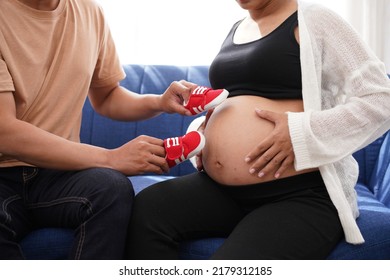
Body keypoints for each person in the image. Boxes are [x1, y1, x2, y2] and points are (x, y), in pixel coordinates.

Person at [126, 0, 390, 259]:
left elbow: (380, 97)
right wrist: (207, 136)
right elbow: (234, 102)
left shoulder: (315, 19)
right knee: (148, 211)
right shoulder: (237, 28)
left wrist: (300, 133)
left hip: (298, 195)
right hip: (223, 192)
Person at [0, 0, 209, 260]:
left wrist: (159, 102)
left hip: (58, 173)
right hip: (3, 175)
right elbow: (4, 132)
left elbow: (107, 96)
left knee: (111, 189)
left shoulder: (89, 11)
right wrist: (111, 158)